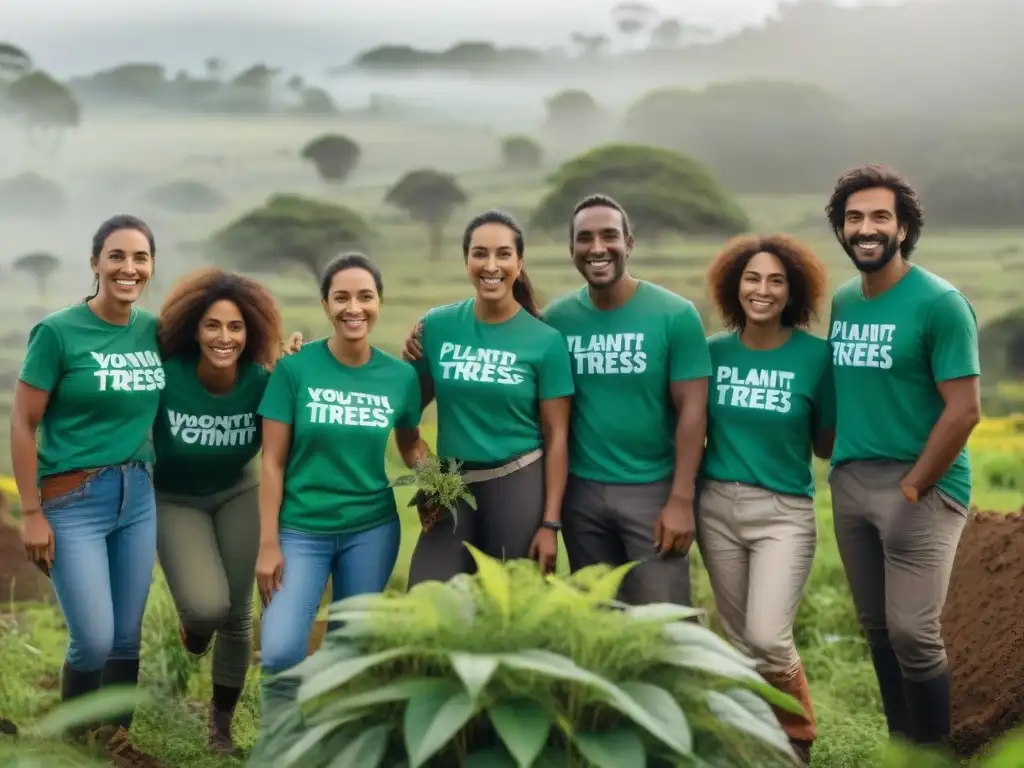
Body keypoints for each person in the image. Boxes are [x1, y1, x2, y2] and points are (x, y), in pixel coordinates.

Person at [824, 164, 981, 748]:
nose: (865, 228)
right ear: (842, 230)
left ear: (904, 228)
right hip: (852, 483)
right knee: (877, 630)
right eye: (854, 218)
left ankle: (934, 755)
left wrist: (915, 484)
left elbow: (964, 410)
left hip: (922, 486)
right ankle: (901, 749)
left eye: (879, 217)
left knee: (913, 632)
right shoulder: (845, 301)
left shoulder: (940, 304)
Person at [12, 214, 166, 764]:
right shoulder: (58, 333)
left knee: (126, 637)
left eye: (140, 258)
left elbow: (220, 359)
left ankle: (115, 741)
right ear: (96, 262)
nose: (129, 268)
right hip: (73, 501)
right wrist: (31, 512)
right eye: (117, 256)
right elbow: (23, 423)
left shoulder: (155, 332)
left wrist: (278, 357)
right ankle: (73, 742)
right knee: (95, 638)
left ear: (151, 266)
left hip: (138, 496)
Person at [254, 253, 428, 724]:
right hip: (299, 530)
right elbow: (271, 462)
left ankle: (333, 739)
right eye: (342, 297)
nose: (354, 308)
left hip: (371, 530)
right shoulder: (295, 370)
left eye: (365, 297)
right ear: (326, 305)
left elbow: (409, 444)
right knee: (280, 650)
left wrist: (439, 479)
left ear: (379, 303)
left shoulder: (400, 377)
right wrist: (268, 545)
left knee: (348, 651)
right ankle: (280, 743)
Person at [698, 234, 833, 765]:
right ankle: (752, 746)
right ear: (734, 286)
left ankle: (797, 740)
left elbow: (826, 442)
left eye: (776, 280)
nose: (763, 289)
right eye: (752, 278)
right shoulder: (712, 353)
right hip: (716, 508)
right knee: (738, 643)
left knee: (768, 638)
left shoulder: (817, 357)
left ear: (792, 291)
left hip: (784, 514)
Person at [151, 268, 298, 756]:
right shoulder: (166, 375)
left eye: (235, 327)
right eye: (212, 325)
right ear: (194, 329)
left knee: (238, 615)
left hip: (237, 490)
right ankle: (194, 628)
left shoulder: (262, 381)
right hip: (174, 498)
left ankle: (220, 730)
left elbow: (294, 432)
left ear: (250, 332)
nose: (224, 337)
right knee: (207, 608)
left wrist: (293, 372)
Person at [403, 210, 574, 585]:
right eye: (480, 254)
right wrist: (429, 477)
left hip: (517, 484)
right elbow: (406, 415)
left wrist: (550, 523)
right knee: (426, 594)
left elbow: (558, 436)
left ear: (519, 262)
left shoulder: (545, 342)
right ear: (466, 260)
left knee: (511, 604)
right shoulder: (438, 326)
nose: (491, 266)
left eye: (503, 254)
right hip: (452, 488)